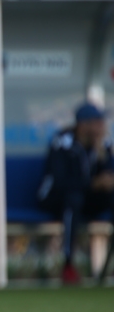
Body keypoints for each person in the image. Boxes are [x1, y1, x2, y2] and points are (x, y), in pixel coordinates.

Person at [38, 102, 114, 284]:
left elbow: (107, 176)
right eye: (97, 122)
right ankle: (68, 265)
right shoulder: (63, 143)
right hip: (55, 198)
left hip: (85, 198)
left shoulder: (101, 146)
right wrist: (94, 183)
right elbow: (62, 181)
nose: (101, 126)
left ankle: (108, 266)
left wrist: (104, 162)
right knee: (73, 200)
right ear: (83, 125)